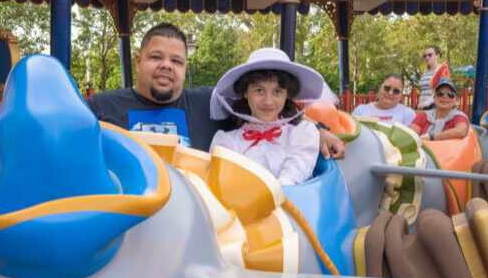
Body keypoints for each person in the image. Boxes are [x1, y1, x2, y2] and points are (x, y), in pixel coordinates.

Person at [87, 23, 345, 158]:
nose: (166, 65)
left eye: (176, 61)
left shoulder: (208, 102)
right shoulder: (100, 106)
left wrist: (319, 131)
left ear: (185, 68)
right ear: (138, 60)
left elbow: (269, 109)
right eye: (156, 57)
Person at [209, 48, 323, 186]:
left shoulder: (302, 135)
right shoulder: (227, 143)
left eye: (277, 91)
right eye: (259, 90)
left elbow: (290, 180)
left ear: (287, 94)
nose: (268, 101)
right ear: (245, 92)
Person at [351, 74, 417, 125]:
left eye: (396, 91)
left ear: (401, 96)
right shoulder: (360, 111)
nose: (390, 93)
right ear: (380, 89)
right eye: (387, 88)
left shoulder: (408, 114)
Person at [417, 45, 451, 109]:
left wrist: (427, 103)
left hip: (435, 106)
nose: (427, 58)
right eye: (425, 56)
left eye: (430, 55)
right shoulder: (424, 72)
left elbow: (442, 89)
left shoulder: (443, 69)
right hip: (421, 105)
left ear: (437, 56)